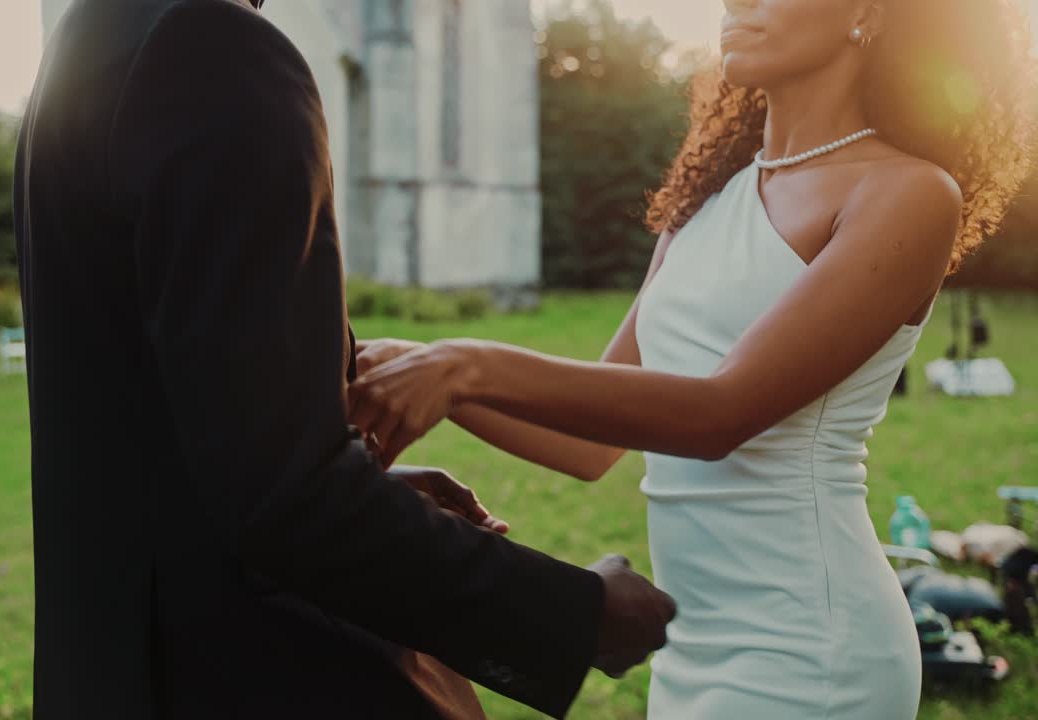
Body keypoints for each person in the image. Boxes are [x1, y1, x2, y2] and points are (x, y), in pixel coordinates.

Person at [348, 0, 1036, 717]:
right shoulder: (707, 202)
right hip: (690, 642)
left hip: (811, 643)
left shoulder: (907, 194)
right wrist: (421, 370)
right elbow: (587, 442)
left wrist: (465, 365)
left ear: (865, 11)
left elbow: (719, 414)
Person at [12, 0, 676, 718]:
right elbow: (287, 501)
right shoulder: (214, 50)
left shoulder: (90, 39)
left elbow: (176, 425)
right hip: (249, 674)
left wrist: (342, 465)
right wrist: (581, 613)